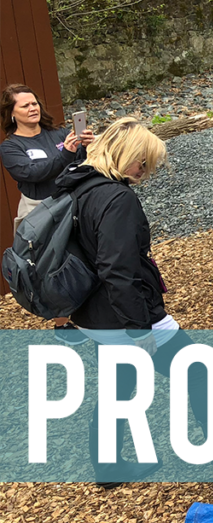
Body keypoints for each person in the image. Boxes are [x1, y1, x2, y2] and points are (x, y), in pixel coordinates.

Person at [52, 117, 213, 490]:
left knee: (118, 384)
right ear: (125, 154)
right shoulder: (117, 198)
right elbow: (118, 270)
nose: (145, 171)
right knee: (200, 374)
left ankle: (109, 466)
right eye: (142, 162)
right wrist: (139, 327)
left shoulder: (78, 187)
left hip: (91, 314)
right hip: (126, 315)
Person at [0, 83, 95, 345]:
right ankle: (62, 324)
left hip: (70, 201)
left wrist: (87, 146)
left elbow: (79, 164)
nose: (32, 108)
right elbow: (31, 173)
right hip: (38, 210)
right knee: (49, 265)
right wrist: (65, 152)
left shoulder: (60, 133)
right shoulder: (11, 147)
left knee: (83, 253)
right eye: (25, 105)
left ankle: (91, 311)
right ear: (11, 113)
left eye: (34, 103)